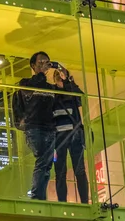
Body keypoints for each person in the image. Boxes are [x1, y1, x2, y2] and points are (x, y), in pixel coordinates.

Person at [14, 51, 56, 200]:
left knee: (47, 165)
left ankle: (40, 195)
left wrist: (66, 80)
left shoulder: (51, 88)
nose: (44, 65)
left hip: (50, 129)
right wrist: (20, 122)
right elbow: (21, 101)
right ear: (33, 65)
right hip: (34, 128)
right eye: (41, 63)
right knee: (42, 160)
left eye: (47, 62)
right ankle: (37, 196)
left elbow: (67, 101)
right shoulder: (25, 83)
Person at [52, 68, 89, 204]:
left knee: (79, 170)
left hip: (75, 136)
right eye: (56, 75)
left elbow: (82, 98)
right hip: (58, 138)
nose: (58, 77)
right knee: (60, 172)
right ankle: (62, 202)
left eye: (61, 74)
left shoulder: (71, 90)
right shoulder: (52, 92)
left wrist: (68, 83)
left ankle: (85, 201)